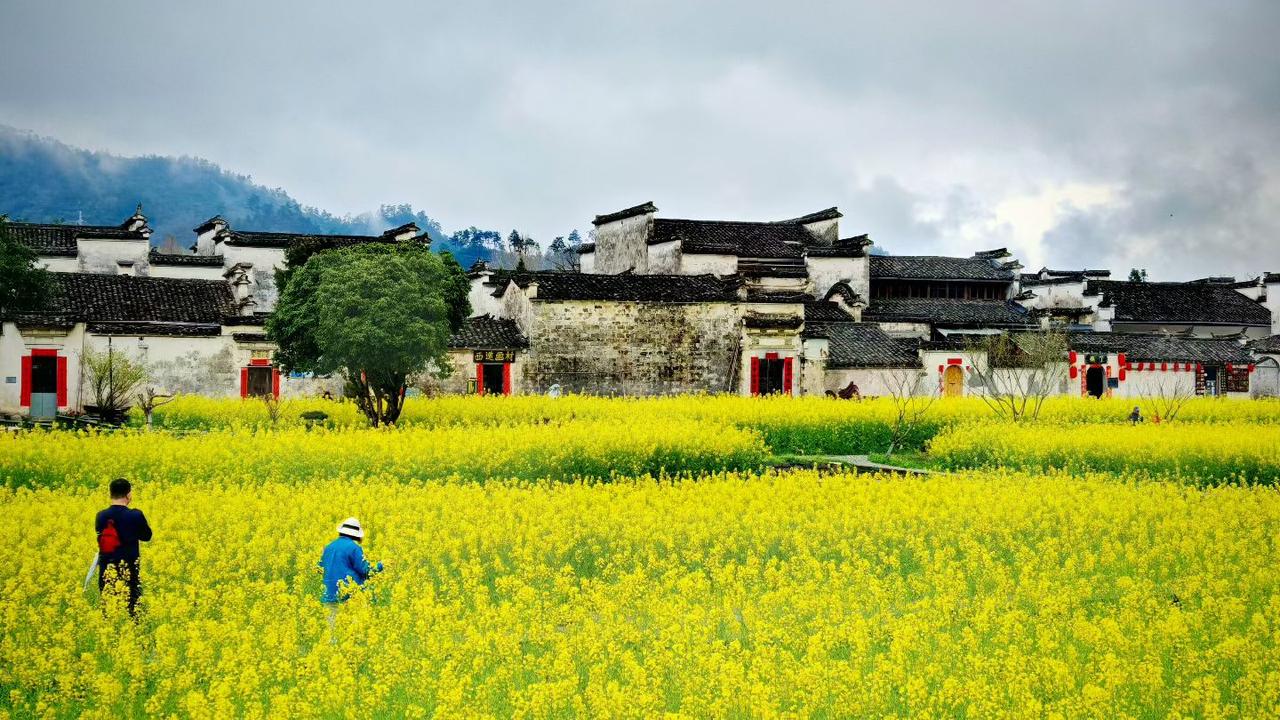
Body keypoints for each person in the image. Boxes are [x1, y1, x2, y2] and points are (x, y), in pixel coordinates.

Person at [95, 478, 153, 616]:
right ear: (129, 495)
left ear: (110, 494)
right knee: (134, 613)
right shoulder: (135, 515)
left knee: (109, 613)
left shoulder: (101, 516)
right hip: (129, 571)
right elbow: (147, 536)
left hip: (106, 571)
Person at [318, 517, 382, 627]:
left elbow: (320, 569)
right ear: (356, 534)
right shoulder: (354, 548)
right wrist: (381, 566)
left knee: (333, 634)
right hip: (350, 596)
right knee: (354, 631)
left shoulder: (328, 547)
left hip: (329, 595)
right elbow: (366, 572)